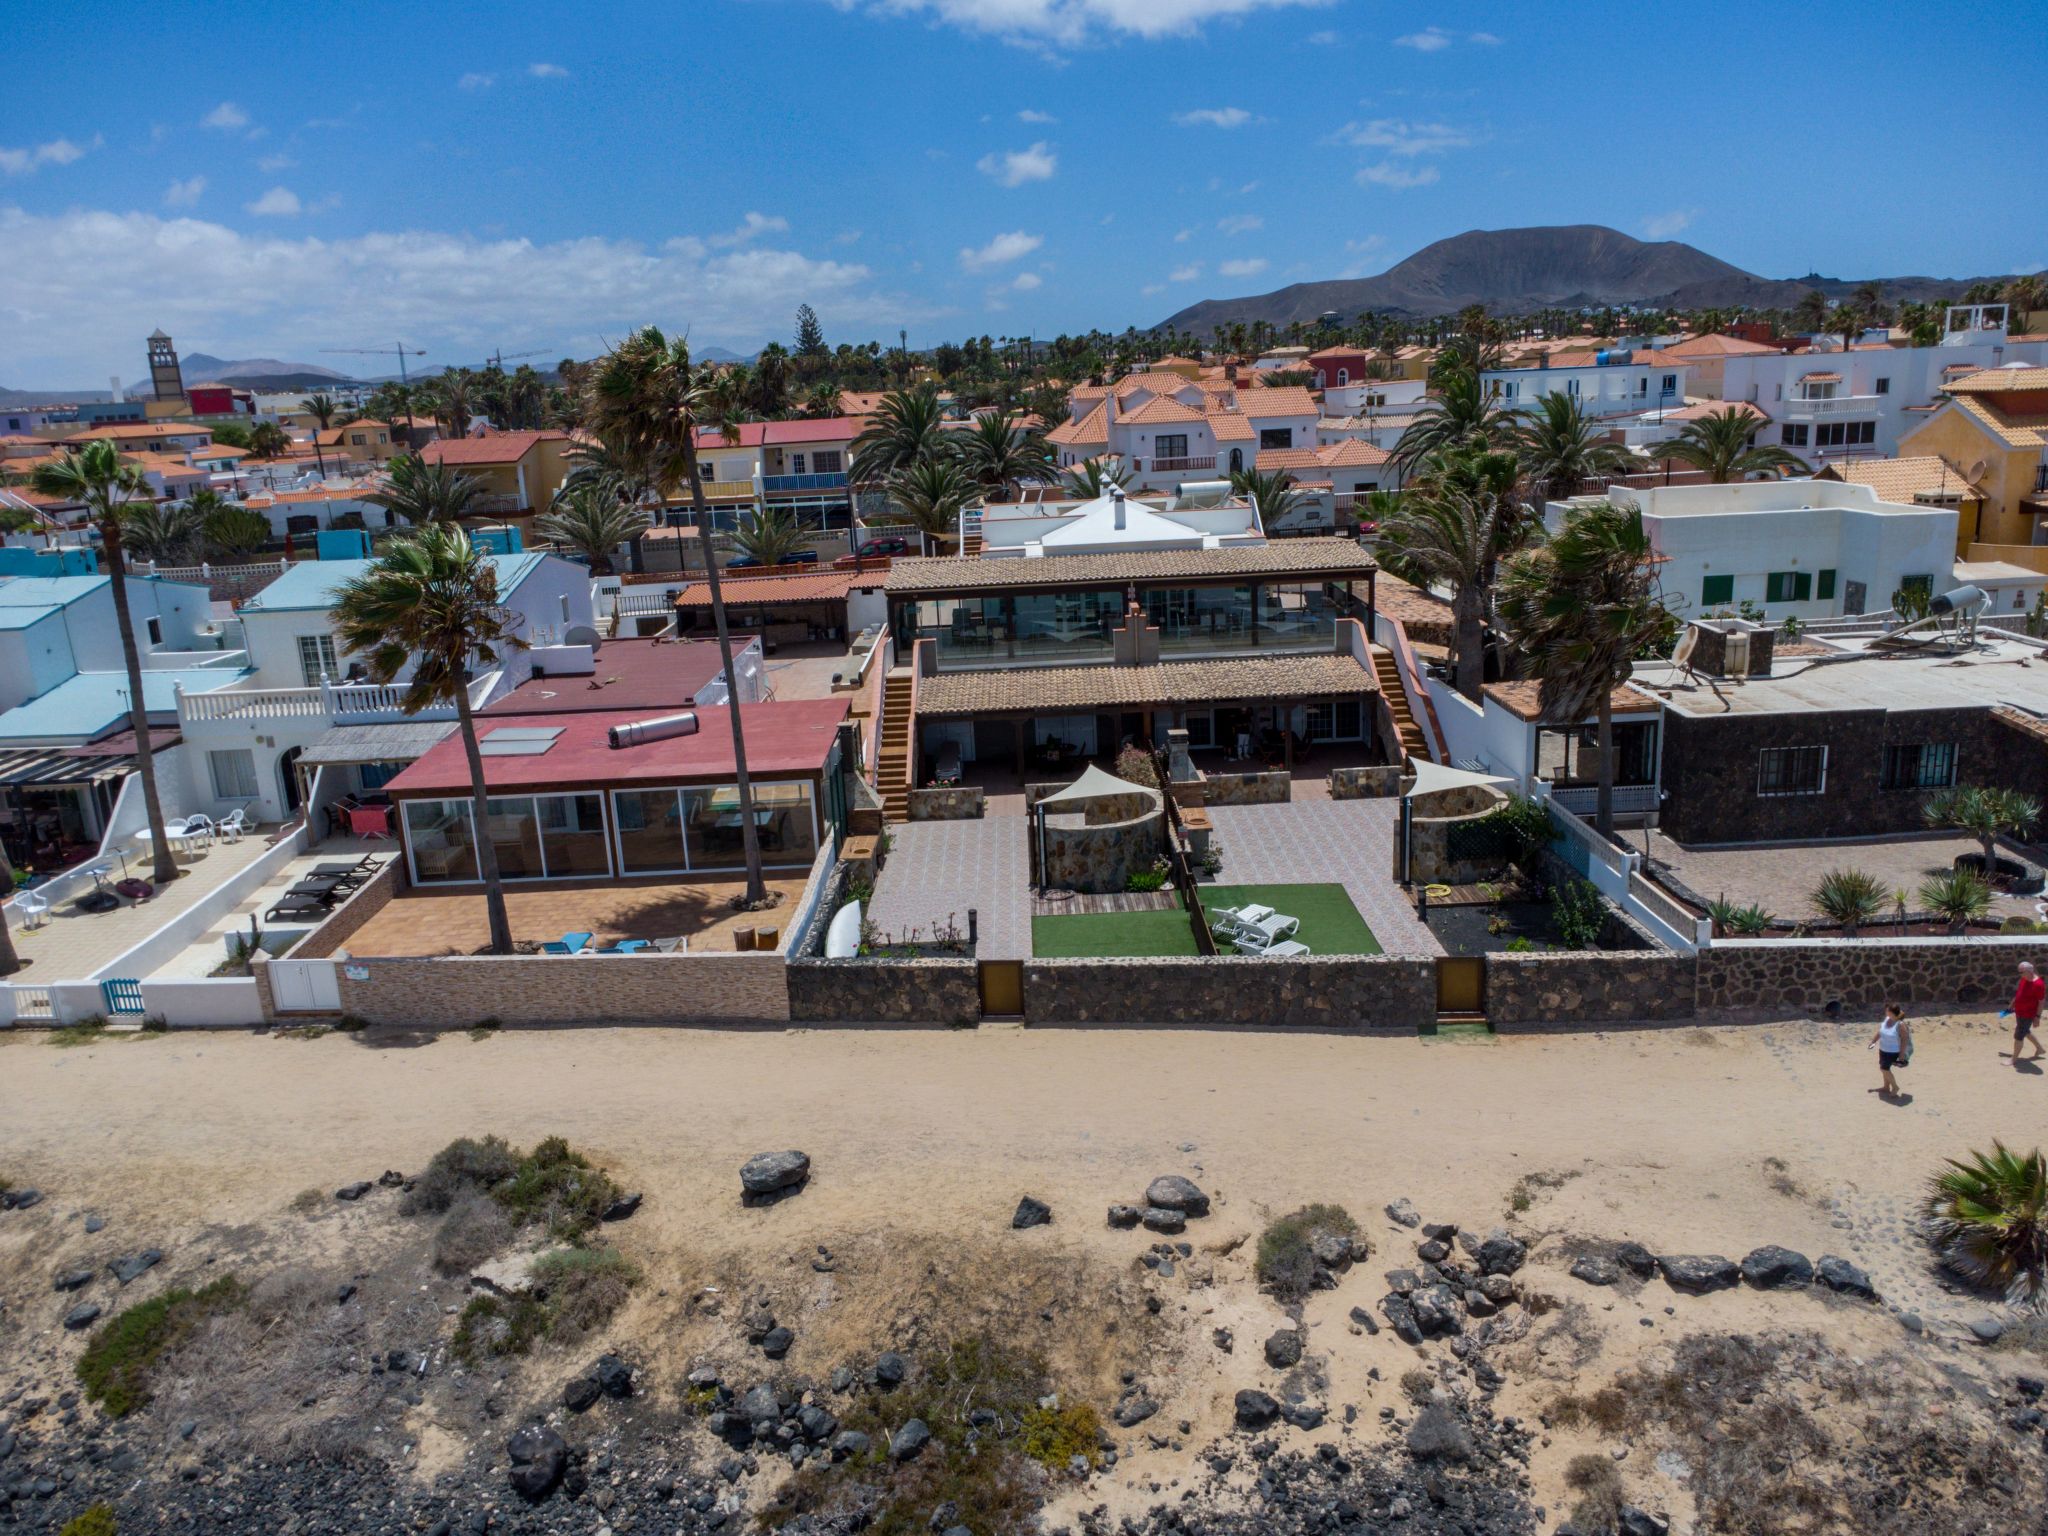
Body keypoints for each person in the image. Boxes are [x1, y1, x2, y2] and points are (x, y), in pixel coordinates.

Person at [1999, 961, 2046, 1069]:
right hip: (2019, 1011)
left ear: (2029, 971)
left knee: (2019, 1035)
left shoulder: (2038, 984)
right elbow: (2019, 993)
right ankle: (2040, 1049)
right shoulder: (2025, 979)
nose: (2019, 974)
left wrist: (2037, 1017)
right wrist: (2012, 1004)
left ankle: (2013, 1059)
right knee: (2025, 1031)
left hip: (2028, 1014)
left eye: (2021, 972)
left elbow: (2041, 1002)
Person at [1869, 1004, 1912, 1098]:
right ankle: (1886, 1087)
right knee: (1885, 1068)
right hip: (1883, 1049)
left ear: (1891, 1012)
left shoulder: (1900, 1024)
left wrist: (1901, 1055)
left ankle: (1895, 1087)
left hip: (1893, 1051)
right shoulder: (1887, 1019)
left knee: (1884, 1069)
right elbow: (1880, 1032)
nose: (1885, 1011)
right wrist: (1873, 1042)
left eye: (1887, 1010)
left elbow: (1905, 1039)